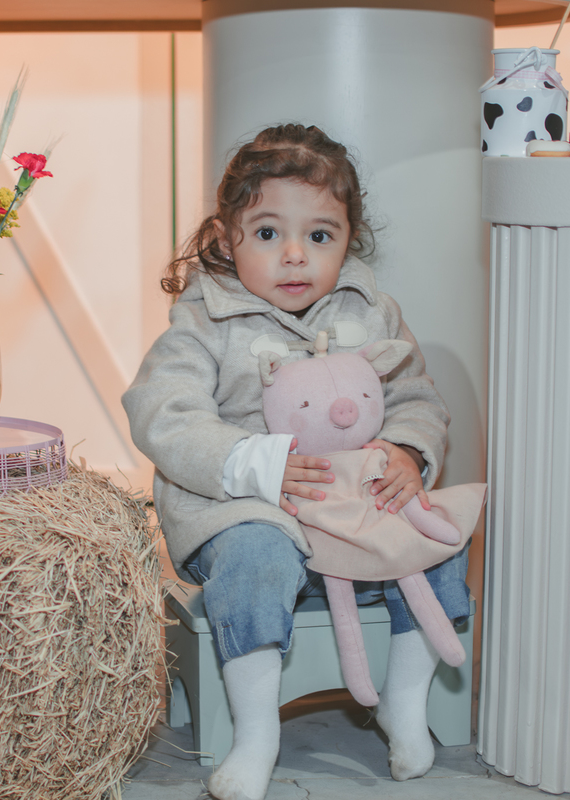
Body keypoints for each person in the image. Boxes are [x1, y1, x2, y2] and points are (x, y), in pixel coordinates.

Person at [122, 123, 468, 800]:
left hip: (351, 512)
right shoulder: (203, 321)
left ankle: (404, 700)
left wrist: (405, 452)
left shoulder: (371, 311)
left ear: (348, 239)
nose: (294, 257)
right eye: (268, 232)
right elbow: (163, 414)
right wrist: (256, 464)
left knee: (440, 534)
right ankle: (257, 735)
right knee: (258, 554)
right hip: (245, 511)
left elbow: (416, 396)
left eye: (319, 235)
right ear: (226, 239)